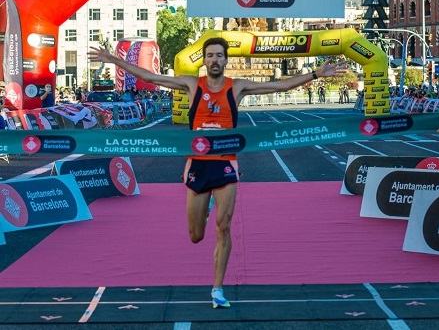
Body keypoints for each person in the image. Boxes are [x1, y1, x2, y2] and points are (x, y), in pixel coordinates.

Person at [88, 38, 346, 309]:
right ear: (204, 60)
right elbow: (150, 76)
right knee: (196, 235)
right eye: (210, 55)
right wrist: (115, 60)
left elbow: (279, 85)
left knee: (224, 227)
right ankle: (206, 205)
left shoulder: (237, 87)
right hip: (197, 165)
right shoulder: (191, 85)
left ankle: (217, 288)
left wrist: (317, 73)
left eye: (219, 56)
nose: (214, 60)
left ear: (225, 60)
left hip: (226, 164)